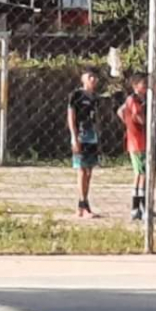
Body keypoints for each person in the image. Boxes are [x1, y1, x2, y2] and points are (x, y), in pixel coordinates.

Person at [67, 68, 102, 218]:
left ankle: (84, 204)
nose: (93, 79)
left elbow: (97, 119)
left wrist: (99, 136)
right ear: (83, 79)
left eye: (95, 76)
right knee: (81, 170)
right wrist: (74, 137)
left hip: (92, 137)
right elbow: (71, 117)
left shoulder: (95, 97)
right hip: (81, 136)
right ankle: (82, 205)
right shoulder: (76, 96)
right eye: (90, 76)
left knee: (89, 171)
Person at [117, 73, 148, 221]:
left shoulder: (141, 99)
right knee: (141, 174)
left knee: (140, 173)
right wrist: (146, 123)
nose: (146, 86)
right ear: (136, 86)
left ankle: (137, 207)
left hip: (140, 140)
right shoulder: (133, 99)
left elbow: (121, 111)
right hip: (137, 141)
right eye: (143, 83)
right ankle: (139, 206)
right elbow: (135, 115)